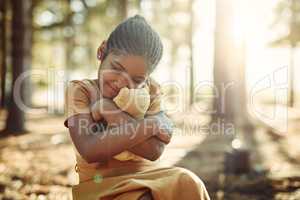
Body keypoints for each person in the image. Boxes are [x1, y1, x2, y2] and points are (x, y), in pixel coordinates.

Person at [64, 14, 210, 200]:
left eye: (136, 80)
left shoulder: (151, 91)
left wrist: (113, 114)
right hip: (99, 185)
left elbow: (153, 151)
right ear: (102, 51)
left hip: (147, 176)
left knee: (189, 181)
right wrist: (151, 125)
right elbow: (90, 149)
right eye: (116, 68)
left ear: (146, 79)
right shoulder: (81, 90)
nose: (121, 83)